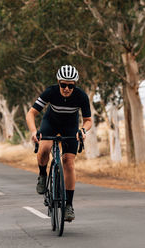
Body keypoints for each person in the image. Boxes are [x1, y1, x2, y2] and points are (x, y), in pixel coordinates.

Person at [26, 65, 92, 222]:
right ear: (58, 83)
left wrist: (83, 130)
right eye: (63, 85)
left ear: (75, 85)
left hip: (70, 126)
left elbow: (88, 120)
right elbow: (31, 113)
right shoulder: (51, 92)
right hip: (51, 122)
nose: (67, 89)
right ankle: (43, 174)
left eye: (70, 86)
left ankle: (68, 205)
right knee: (45, 148)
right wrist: (34, 132)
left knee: (68, 162)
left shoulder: (81, 96)